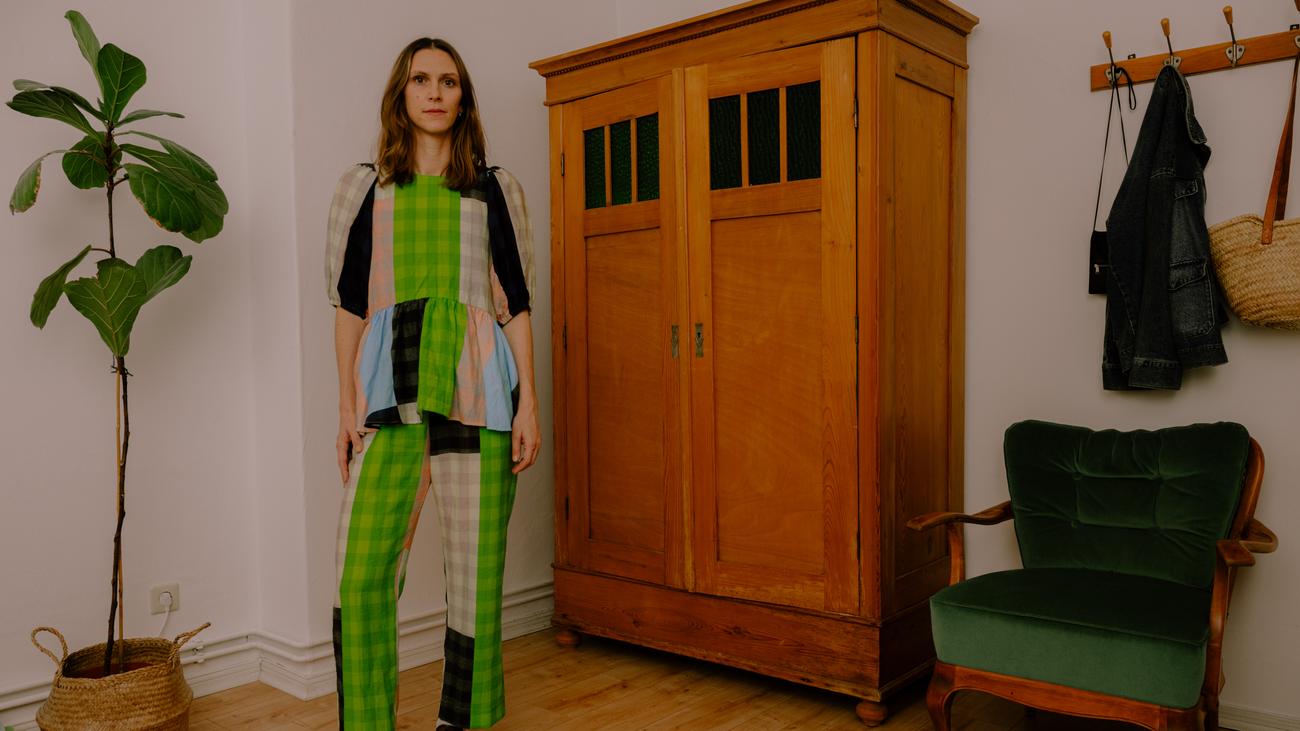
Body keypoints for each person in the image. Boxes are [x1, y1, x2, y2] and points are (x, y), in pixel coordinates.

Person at [324, 36, 539, 731]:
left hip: (480, 395)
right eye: (422, 79)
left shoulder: (493, 189)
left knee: (475, 575)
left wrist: (529, 403)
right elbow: (350, 305)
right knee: (361, 572)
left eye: (448, 81)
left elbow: (514, 305)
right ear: (402, 93)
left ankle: (463, 721)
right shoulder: (365, 188)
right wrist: (346, 403)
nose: (436, 92)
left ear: (463, 98)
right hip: (389, 393)